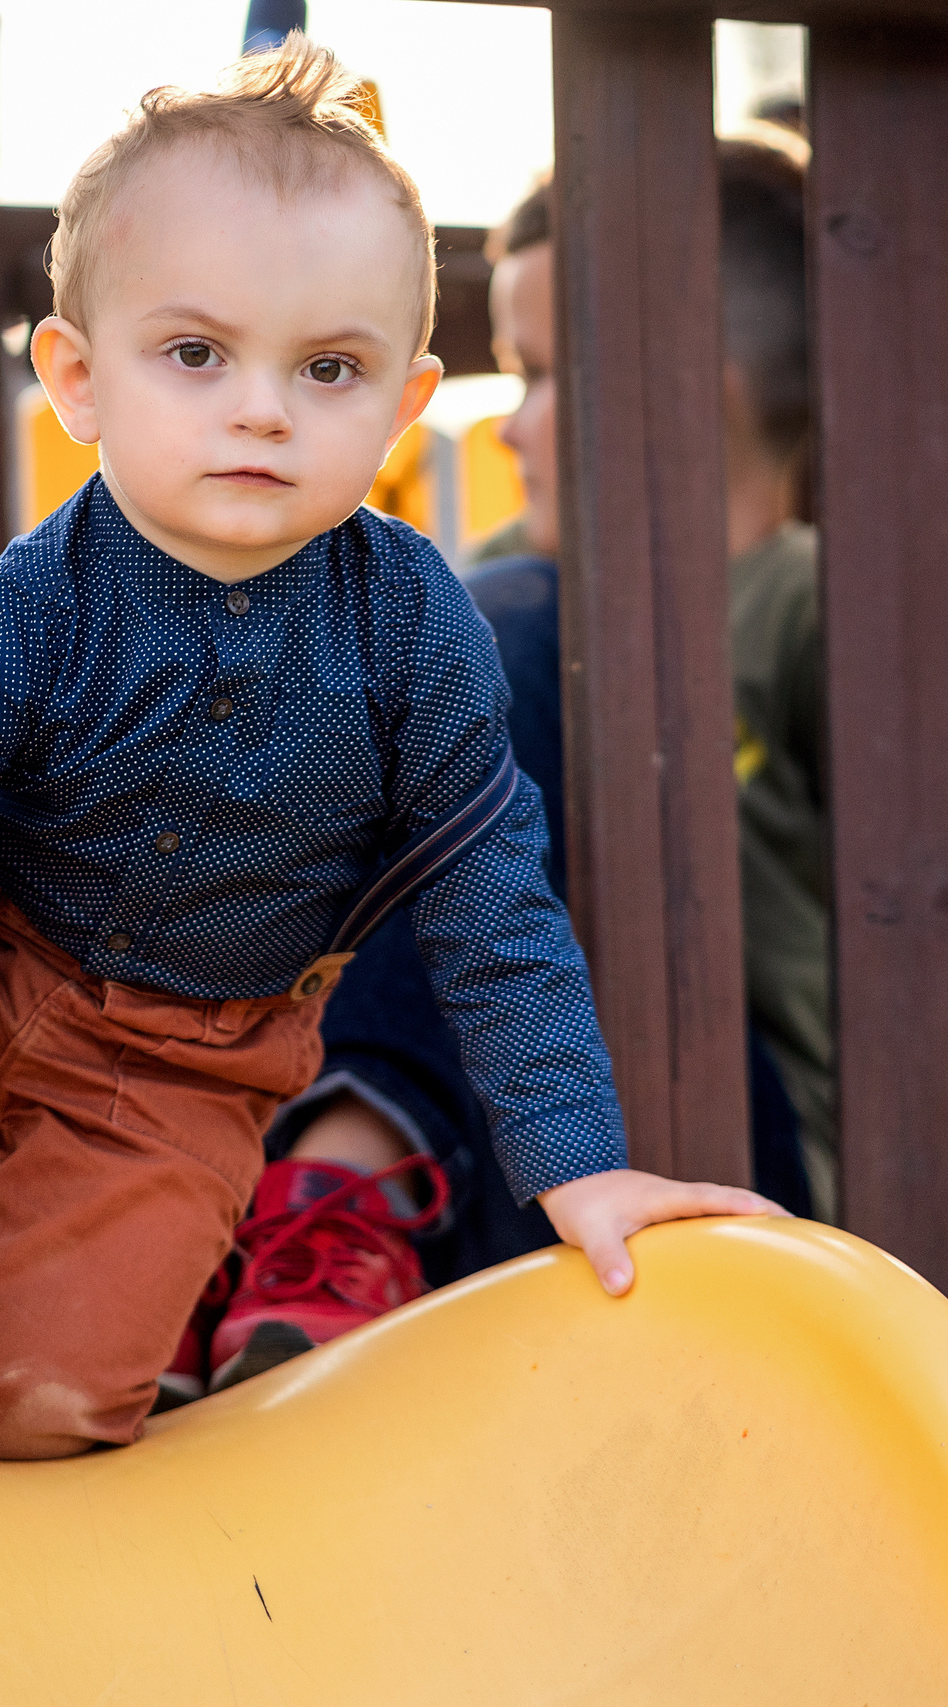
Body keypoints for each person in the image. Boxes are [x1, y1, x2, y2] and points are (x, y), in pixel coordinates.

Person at [0, 39, 782, 1461]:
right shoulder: (41, 600)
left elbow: (496, 914)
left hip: (176, 1073)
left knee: (47, 1399)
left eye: (330, 368)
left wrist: (579, 1174)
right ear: (78, 378)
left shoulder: (415, 627)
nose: (262, 408)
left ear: (404, 408)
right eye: (195, 354)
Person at [182, 131, 839, 1393]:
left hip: (716, 1162)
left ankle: (341, 1188)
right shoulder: (489, 598)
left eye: (538, 377)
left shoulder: (799, 602)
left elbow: (934, 945)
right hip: (513, 1146)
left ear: (684, 397)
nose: (508, 428)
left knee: (500, 624)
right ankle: (242, 1214)